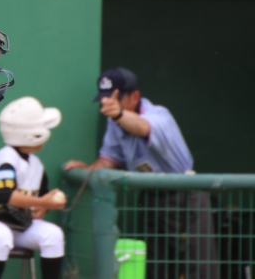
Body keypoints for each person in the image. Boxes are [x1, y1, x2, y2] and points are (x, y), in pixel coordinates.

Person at [65, 67, 218, 279]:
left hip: (185, 196)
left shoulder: (159, 115)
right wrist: (89, 170)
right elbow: (109, 159)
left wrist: (119, 114)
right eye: (105, 98)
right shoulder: (115, 122)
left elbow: (142, 127)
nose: (108, 104)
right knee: (157, 266)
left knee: (197, 266)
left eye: (116, 98)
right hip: (152, 197)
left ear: (134, 96)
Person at [0, 96, 67, 279]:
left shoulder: (36, 164)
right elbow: (2, 196)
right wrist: (43, 202)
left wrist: (43, 207)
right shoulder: (7, 158)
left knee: (53, 235)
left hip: (17, 223)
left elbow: (41, 198)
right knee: (1, 236)